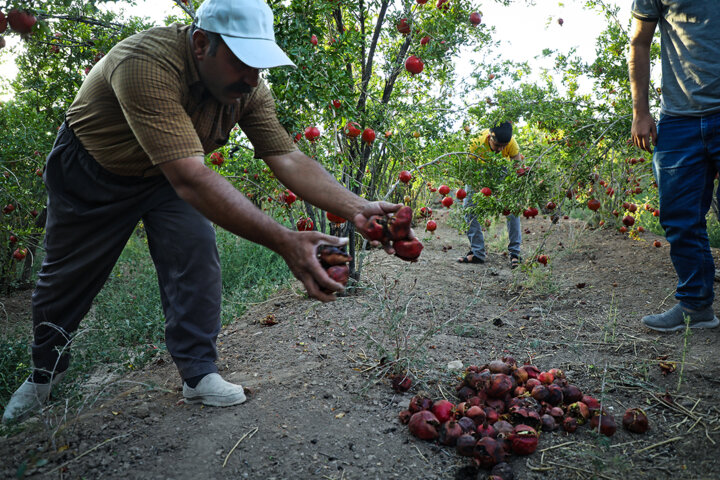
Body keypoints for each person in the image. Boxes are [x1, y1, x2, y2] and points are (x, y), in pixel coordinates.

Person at [2, 0, 401, 424]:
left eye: (260, 64)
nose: (252, 78)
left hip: (165, 176)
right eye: (243, 61)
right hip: (93, 170)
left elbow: (286, 157)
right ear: (200, 44)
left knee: (195, 254)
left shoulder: (248, 90)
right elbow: (191, 178)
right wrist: (285, 241)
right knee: (66, 277)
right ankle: (43, 376)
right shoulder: (144, 62)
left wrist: (359, 209)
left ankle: (198, 374)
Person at [629, 0, 720, 332]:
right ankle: (696, 304)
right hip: (679, 118)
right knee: (680, 218)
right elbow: (639, 41)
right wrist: (640, 111)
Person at [457, 121, 523, 269]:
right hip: (478, 170)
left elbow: (517, 167)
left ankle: (515, 253)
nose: (500, 149)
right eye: (497, 145)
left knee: (513, 209)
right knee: (469, 208)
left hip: (503, 170)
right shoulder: (476, 142)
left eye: (503, 146)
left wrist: (512, 188)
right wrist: (479, 189)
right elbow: (470, 171)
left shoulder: (511, 142)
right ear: (489, 138)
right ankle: (477, 252)